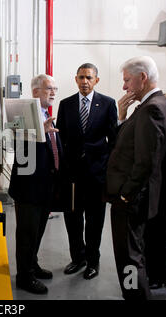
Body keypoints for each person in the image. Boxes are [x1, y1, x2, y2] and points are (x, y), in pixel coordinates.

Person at [106, 56, 166, 300]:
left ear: (142, 78)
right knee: (133, 257)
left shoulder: (151, 109)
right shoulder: (154, 105)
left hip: (131, 201)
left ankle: (135, 297)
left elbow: (145, 161)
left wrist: (125, 195)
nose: (124, 87)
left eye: (127, 80)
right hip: (135, 198)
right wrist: (122, 117)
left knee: (130, 260)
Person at [56, 63, 117, 280]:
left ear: (96, 80)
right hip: (72, 175)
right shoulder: (66, 104)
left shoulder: (108, 104)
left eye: (89, 77)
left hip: (96, 176)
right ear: (75, 79)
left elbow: (113, 140)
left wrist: (104, 164)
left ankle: (93, 261)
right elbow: (60, 139)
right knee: (72, 219)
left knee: (94, 221)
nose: (84, 81)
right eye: (81, 77)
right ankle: (77, 258)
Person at [8, 74, 64, 294]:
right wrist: (40, 130)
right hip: (28, 188)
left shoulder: (46, 115)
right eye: (49, 88)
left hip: (44, 187)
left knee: (38, 231)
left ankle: (32, 264)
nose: (53, 93)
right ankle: (24, 277)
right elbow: (20, 146)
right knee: (27, 234)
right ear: (35, 91)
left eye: (55, 89)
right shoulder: (22, 114)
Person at [143, 92, 166, 289]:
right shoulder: (161, 131)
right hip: (155, 192)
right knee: (151, 234)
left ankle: (161, 276)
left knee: (161, 234)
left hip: (165, 195)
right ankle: (153, 274)